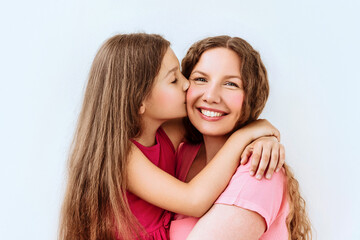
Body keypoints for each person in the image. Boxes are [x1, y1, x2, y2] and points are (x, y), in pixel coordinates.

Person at [59, 33, 284, 240]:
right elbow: (193, 200)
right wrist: (244, 136)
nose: (187, 83)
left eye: (183, 74)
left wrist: (264, 138)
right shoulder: (122, 156)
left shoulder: (168, 134)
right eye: (174, 80)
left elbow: (217, 121)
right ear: (140, 101)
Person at [169, 36, 312, 240]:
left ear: (251, 96)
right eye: (200, 79)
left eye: (231, 84)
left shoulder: (259, 168)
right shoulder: (184, 152)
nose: (211, 96)